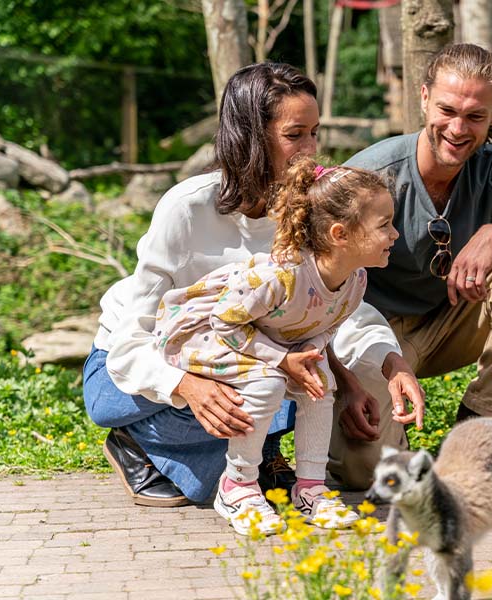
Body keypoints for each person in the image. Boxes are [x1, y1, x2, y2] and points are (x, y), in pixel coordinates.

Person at [83, 61, 424, 507]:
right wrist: (188, 386)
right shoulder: (187, 209)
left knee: (302, 400)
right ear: (250, 136)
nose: (310, 150)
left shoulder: (305, 213)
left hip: (243, 366)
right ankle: (137, 441)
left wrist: (389, 363)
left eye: (314, 133)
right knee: (269, 403)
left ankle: (232, 460)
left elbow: (336, 303)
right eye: (294, 134)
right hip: (133, 370)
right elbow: (133, 340)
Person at [326, 43, 492, 489]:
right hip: (373, 334)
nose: (457, 128)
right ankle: (407, 451)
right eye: (448, 110)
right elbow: (313, 284)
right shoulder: (373, 175)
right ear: (424, 97)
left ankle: (482, 424)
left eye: (474, 116)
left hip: (453, 320)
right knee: (366, 473)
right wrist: (348, 377)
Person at [154, 157, 398, 534]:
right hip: (203, 331)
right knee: (266, 383)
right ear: (340, 234)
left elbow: (326, 326)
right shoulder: (281, 276)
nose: (395, 234)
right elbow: (224, 320)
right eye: (385, 225)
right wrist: (282, 359)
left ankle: (311, 491)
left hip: (263, 341)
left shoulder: (355, 281)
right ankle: (237, 486)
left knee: (320, 383)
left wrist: (309, 356)